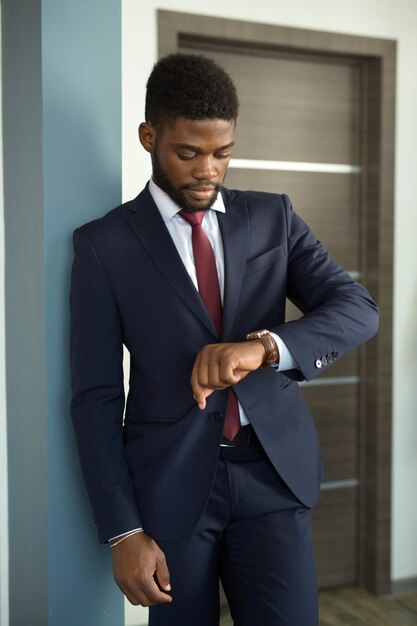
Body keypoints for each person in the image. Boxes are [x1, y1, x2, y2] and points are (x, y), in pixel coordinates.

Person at [70, 53, 379, 626]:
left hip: (274, 476)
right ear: (149, 137)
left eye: (222, 152)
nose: (207, 170)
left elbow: (358, 309)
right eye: (188, 153)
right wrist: (123, 530)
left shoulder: (273, 218)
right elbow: (96, 397)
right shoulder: (102, 246)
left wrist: (263, 346)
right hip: (169, 488)